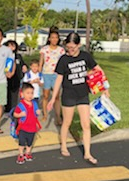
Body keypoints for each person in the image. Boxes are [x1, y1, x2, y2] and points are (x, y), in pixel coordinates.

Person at [47, 32, 109, 165]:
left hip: (82, 95)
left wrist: (105, 88)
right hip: (68, 95)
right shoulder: (63, 59)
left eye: (73, 47)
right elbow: (59, 79)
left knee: (86, 125)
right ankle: (63, 145)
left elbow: (99, 70)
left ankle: (87, 153)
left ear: (79, 45)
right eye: (68, 47)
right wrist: (53, 98)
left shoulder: (86, 56)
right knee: (67, 123)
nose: (70, 50)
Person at [39, 30, 65, 124]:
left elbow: (63, 63)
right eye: (52, 37)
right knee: (46, 96)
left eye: (56, 38)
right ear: (49, 39)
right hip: (46, 74)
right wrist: (39, 74)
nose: (54, 39)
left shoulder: (61, 50)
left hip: (57, 75)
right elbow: (41, 62)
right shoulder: (44, 49)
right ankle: (45, 114)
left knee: (57, 96)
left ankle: (58, 117)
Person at [13, 83, 42, 164]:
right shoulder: (20, 105)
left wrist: (38, 112)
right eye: (28, 93)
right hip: (23, 128)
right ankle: (21, 154)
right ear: (22, 94)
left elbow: (35, 114)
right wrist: (20, 115)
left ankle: (28, 153)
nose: (30, 95)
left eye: (32, 93)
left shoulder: (34, 104)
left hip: (32, 128)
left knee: (30, 142)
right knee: (21, 142)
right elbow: (15, 114)